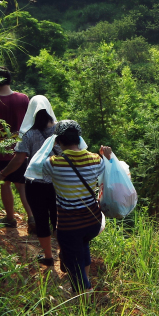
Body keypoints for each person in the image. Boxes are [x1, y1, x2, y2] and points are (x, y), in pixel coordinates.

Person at [40, 120, 111, 292]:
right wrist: (107, 156)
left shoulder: (53, 163)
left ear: (57, 141)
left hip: (70, 226)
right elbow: (106, 169)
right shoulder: (96, 160)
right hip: (92, 222)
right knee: (83, 247)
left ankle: (84, 298)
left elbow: (37, 166)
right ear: (79, 139)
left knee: (73, 265)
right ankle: (81, 288)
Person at [0, 95, 58, 267]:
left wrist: (3, 173)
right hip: (59, 183)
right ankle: (65, 255)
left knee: (41, 218)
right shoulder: (60, 131)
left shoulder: (29, 134)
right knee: (58, 219)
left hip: (36, 184)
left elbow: (18, 160)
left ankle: (48, 256)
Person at [0, 66, 31, 228]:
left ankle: (10, 218)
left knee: (4, 183)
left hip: (1, 151)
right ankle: (32, 218)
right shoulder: (23, 98)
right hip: (21, 151)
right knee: (21, 185)